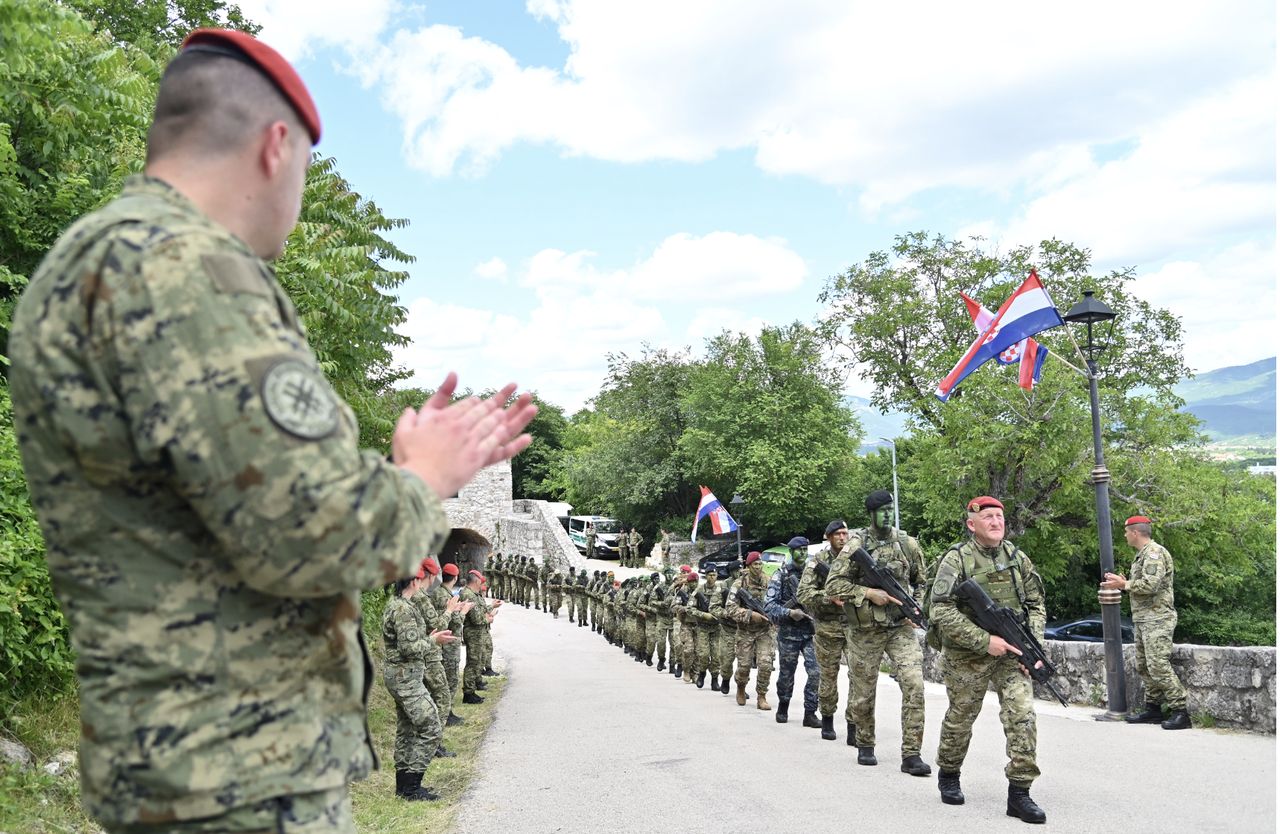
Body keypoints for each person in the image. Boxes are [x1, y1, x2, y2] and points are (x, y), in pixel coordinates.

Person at [6, 26, 537, 834]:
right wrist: (423, 479)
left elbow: (217, 500)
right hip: (240, 778)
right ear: (276, 147)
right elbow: (309, 535)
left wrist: (388, 468)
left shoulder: (84, 265)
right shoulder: (188, 268)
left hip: (171, 765)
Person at [930, 497, 1047, 824]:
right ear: (972, 524)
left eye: (1000, 516)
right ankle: (949, 772)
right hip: (967, 655)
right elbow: (940, 610)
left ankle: (1020, 792)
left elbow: (1037, 604)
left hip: (1011, 652)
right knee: (962, 716)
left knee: (1022, 713)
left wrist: (1030, 646)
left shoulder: (1016, 558)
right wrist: (984, 640)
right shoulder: (957, 560)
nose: (997, 522)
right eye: (989, 517)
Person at [825, 491, 931, 775]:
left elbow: (921, 582)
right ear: (871, 514)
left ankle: (911, 754)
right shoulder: (855, 546)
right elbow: (833, 586)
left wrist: (915, 608)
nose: (887, 515)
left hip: (899, 628)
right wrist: (868, 592)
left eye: (890, 509)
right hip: (865, 630)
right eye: (882, 510)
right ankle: (865, 744)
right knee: (863, 691)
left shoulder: (907, 544)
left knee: (914, 685)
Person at [1102, 516, 1190, 730]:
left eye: (1126, 532)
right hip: (1143, 618)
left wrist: (1123, 584)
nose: (1124, 536)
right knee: (1144, 666)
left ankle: (1181, 712)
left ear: (1135, 532)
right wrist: (1125, 582)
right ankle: (1153, 709)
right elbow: (1141, 584)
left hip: (1158, 618)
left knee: (1158, 664)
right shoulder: (1142, 556)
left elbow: (1150, 585)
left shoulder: (1154, 553)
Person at [382, 565, 455, 801]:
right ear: (413, 580)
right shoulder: (403, 609)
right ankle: (412, 786)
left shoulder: (399, 604)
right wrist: (434, 641)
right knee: (431, 727)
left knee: (407, 729)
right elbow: (409, 648)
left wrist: (429, 639)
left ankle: (404, 786)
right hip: (405, 678)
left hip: (403, 676)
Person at [799, 520, 851, 741]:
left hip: (856, 624)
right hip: (828, 626)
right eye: (837, 534)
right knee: (828, 676)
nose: (842, 537)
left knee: (860, 677)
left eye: (845, 533)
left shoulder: (856, 558)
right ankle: (827, 718)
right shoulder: (818, 562)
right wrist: (829, 599)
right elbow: (804, 594)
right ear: (828, 537)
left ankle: (855, 725)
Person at [411, 557, 467, 758]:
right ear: (433, 575)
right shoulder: (421, 597)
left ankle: (430, 742)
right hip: (428, 653)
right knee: (442, 697)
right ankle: (433, 744)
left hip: (425, 651)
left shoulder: (421, 596)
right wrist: (452, 611)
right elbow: (437, 624)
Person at [765, 537, 821, 728]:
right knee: (787, 674)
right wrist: (790, 612)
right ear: (791, 552)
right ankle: (783, 705)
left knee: (815, 672)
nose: (803, 553)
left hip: (811, 632)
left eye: (805, 550)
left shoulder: (813, 574)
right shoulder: (780, 575)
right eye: (799, 550)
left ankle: (810, 712)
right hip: (789, 633)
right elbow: (769, 607)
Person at [726, 552, 776, 709]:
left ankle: (761, 696)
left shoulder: (769, 581)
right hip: (745, 631)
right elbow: (730, 608)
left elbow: (777, 600)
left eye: (760, 564)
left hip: (765, 631)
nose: (759, 567)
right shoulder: (739, 584)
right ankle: (741, 687)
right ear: (748, 566)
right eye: (755, 564)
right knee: (744, 666)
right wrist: (750, 614)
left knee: (766, 663)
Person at [430, 562, 468, 726]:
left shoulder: (436, 593)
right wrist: (463, 612)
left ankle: (445, 712)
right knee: (450, 680)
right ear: (455, 578)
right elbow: (455, 622)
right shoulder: (447, 596)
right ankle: (447, 713)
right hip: (449, 642)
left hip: (441, 641)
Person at [460, 570, 498, 703]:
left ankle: (472, 689)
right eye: (480, 580)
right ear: (476, 581)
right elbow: (476, 619)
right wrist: (487, 619)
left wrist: (491, 607)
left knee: (477, 661)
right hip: (473, 633)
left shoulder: (473, 594)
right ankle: (468, 693)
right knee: (472, 662)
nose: (481, 582)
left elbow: (480, 611)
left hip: (478, 633)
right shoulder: (468, 594)